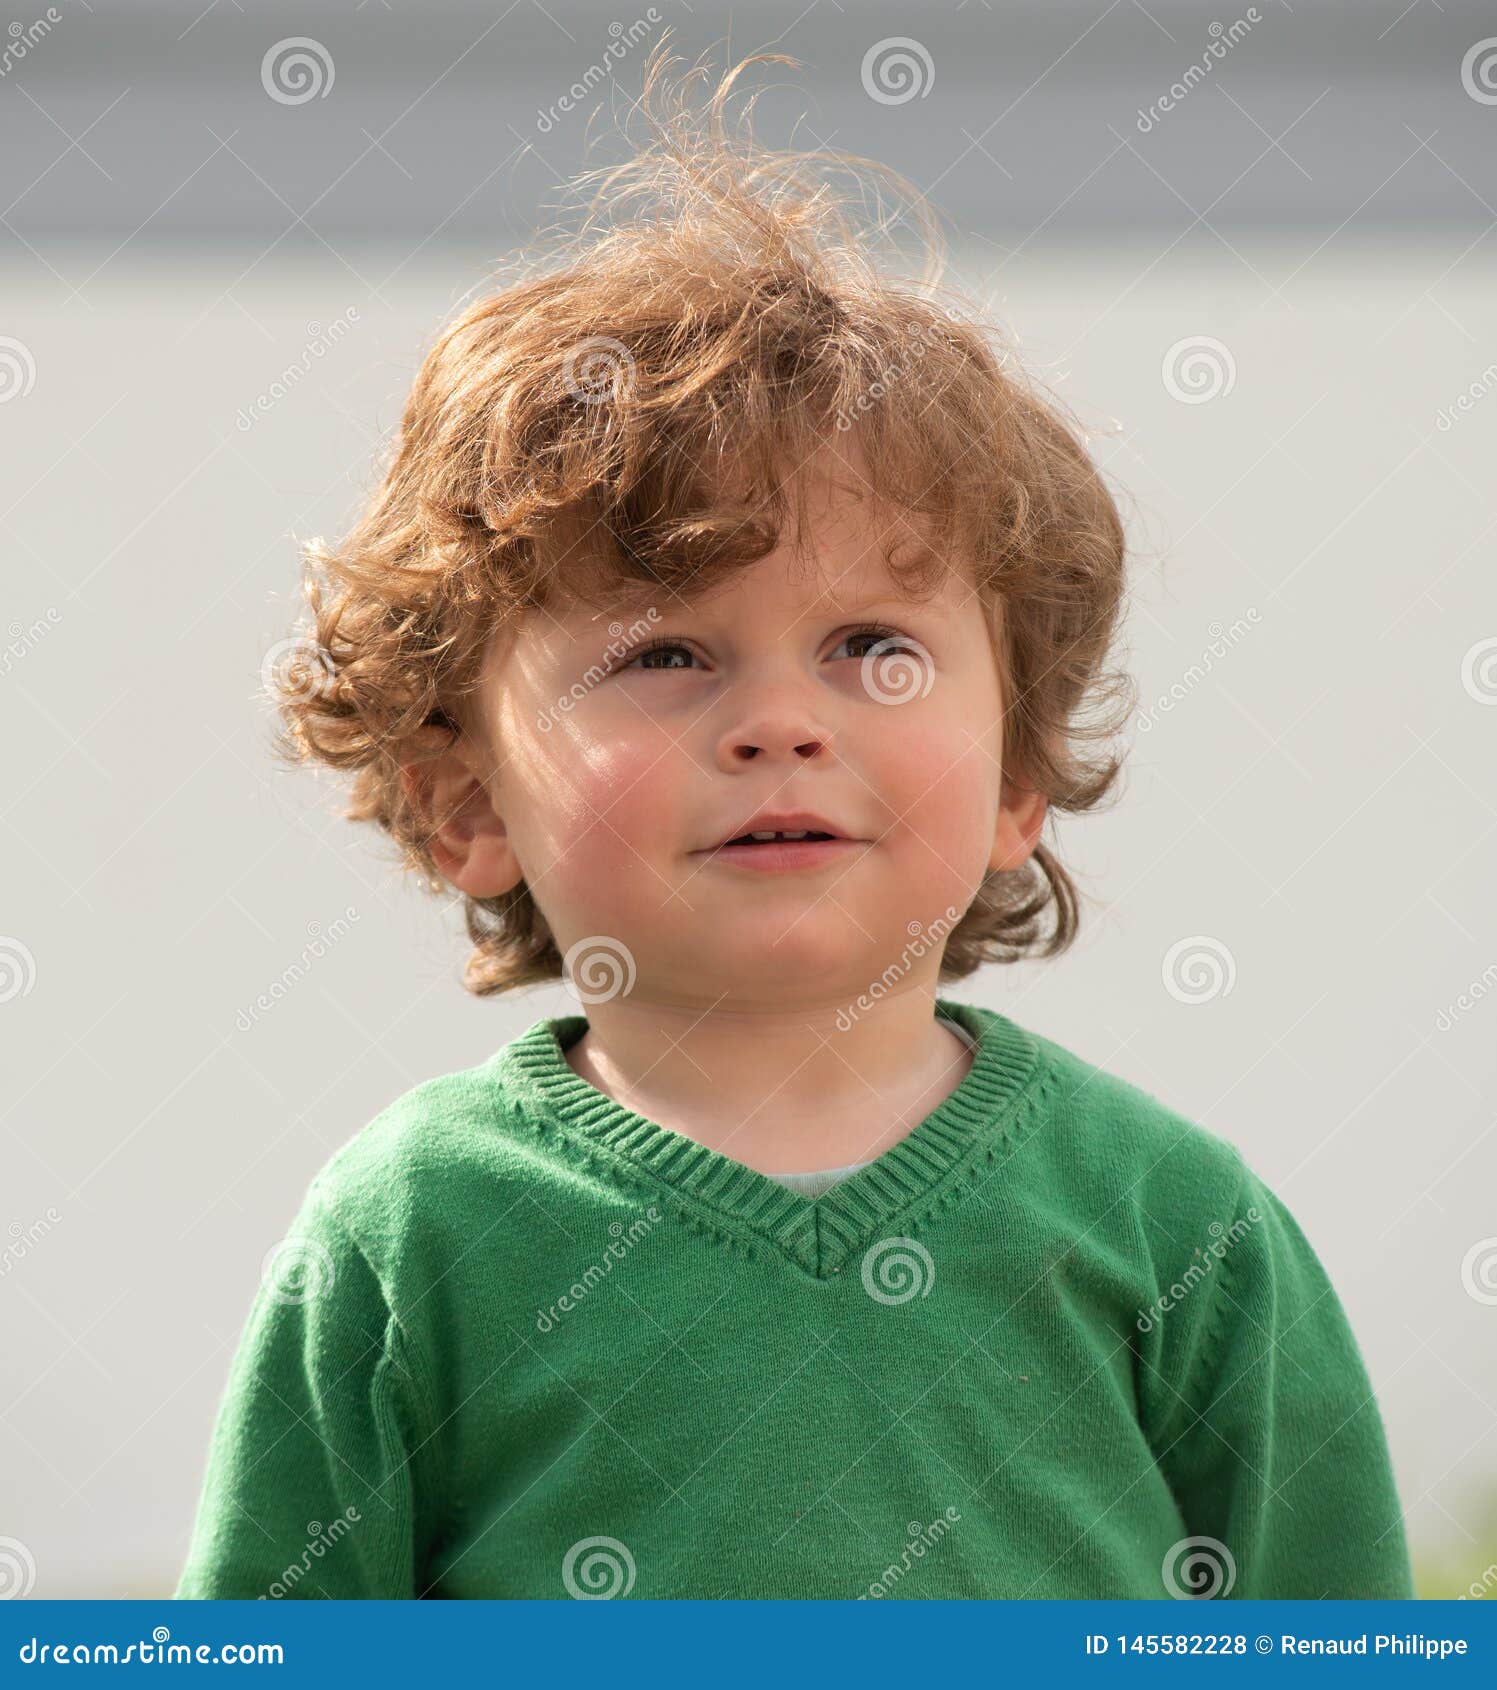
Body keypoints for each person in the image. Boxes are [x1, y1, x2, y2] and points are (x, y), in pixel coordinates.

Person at [174, 48, 1414, 1601]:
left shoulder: (1178, 1227)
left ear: (1017, 778)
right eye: (663, 654)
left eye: (872, 648)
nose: (779, 720)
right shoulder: (410, 1235)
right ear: (465, 804)